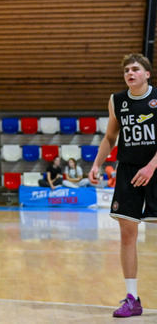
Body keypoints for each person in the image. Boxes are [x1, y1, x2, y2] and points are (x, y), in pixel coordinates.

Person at [89, 53, 157, 318]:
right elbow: (110, 136)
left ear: (147, 74)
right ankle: (132, 299)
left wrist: (151, 166)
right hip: (129, 171)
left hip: (155, 167)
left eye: (136, 69)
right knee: (127, 235)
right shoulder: (117, 100)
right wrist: (96, 164)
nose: (130, 73)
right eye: (127, 70)